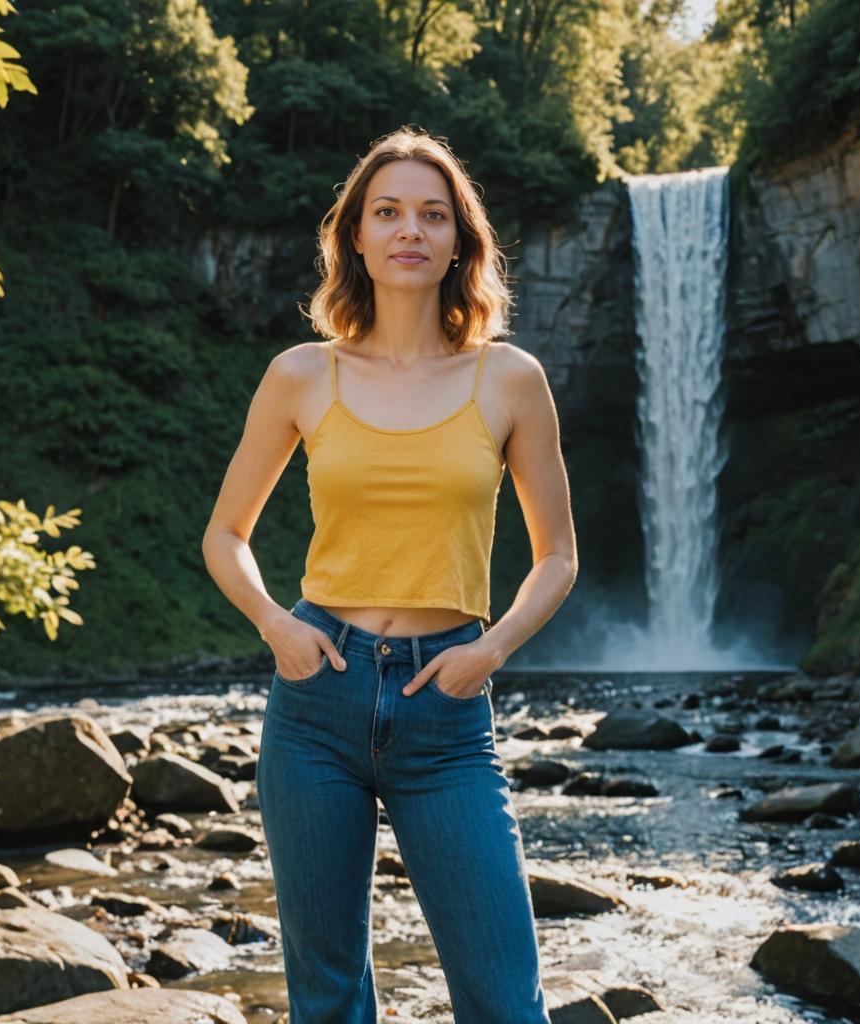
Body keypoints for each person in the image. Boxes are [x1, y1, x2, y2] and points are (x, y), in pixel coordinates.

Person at [202, 125, 577, 1024]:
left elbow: (558, 553)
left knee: (503, 999)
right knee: (327, 1001)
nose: (411, 229)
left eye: (433, 214)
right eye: (389, 212)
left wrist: (493, 648)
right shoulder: (302, 374)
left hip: (447, 707)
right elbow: (225, 534)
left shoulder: (510, 379)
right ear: (357, 238)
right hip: (315, 703)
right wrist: (275, 625)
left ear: (460, 242)